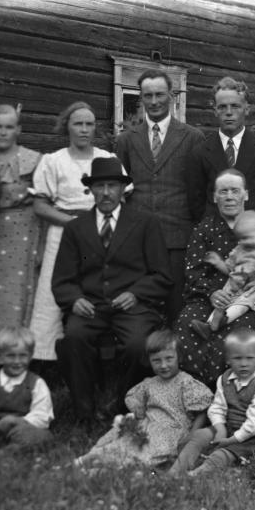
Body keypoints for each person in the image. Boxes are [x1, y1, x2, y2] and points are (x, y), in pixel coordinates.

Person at [52, 157, 172, 422]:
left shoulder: (145, 223)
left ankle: (122, 406)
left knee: (138, 345)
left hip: (132, 307)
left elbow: (162, 274)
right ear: (90, 190)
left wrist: (136, 293)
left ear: (122, 189)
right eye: (99, 186)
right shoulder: (75, 228)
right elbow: (62, 279)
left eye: (112, 186)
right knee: (73, 339)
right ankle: (84, 413)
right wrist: (75, 300)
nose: (106, 193)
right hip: (91, 307)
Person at [174, 169, 255, 387]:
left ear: (246, 194)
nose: (229, 197)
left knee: (236, 333)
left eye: (235, 191)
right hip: (211, 299)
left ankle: (233, 394)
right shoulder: (205, 229)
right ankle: (194, 392)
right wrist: (211, 293)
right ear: (215, 197)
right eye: (223, 191)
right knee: (187, 323)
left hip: (252, 301)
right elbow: (194, 270)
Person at [115, 70, 206, 323]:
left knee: (177, 308)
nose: (154, 101)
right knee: (140, 311)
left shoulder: (192, 137)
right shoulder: (126, 140)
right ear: (141, 98)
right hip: (139, 239)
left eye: (160, 95)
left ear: (171, 96)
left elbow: (199, 190)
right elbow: (121, 189)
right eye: (148, 96)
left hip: (178, 238)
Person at [29, 102, 117, 361]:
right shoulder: (53, 161)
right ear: (67, 126)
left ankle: (101, 355)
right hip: (62, 232)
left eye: (89, 124)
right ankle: (45, 355)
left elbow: (120, 198)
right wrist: (72, 224)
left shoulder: (107, 159)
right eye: (78, 124)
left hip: (101, 231)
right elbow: (39, 205)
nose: (84, 129)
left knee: (99, 287)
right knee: (52, 289)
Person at [73, 329, 213, 469]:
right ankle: (93, 459)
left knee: (149, 451)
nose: (163, 365)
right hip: (148, 426)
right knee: (124, 440)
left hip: (172, 429)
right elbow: (138, 406)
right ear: (149, 361)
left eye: (169, 359)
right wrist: (137, 418)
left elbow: (202, 410)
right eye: (156, 361)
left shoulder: (186, 383)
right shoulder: (149, 384)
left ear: (179, 357)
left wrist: (193, 433)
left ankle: (116, 465)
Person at [168, 327, 255, 476]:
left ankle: (196, 475)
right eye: (237, 358)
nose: (243, 363)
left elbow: (254, 424)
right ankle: (176, 471)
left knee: (221, 454)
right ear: (228, 359)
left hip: (253, 437)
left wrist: (231, 440)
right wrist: (220, 428)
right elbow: (217, 407)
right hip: (230, 427)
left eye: (249, 358)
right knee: (199, 435)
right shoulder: (225, 379)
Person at [0, 104, 42, 366]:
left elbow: (43, 199)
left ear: (18, 129)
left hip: (25, 236)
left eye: (9, 127)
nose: (3, 132)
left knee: (22, 293)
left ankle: (23, 357)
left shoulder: (33, 159)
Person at [186, 76, 255, 225]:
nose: (229, 112)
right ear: (215, 111)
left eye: (235, 106)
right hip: (216, 232)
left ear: (246, 109)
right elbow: (196, 202)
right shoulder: (200, 152)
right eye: (222, 107)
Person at [190, 210, 255, 340]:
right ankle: (208, 326)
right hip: (233, 287)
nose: (245, 242)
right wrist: (218, 263)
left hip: (252, 291)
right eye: (241, 238)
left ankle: (223, 321)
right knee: (221, 302)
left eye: (248, 237)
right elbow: (230, 269)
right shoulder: (240, 250)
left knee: (242, 304)